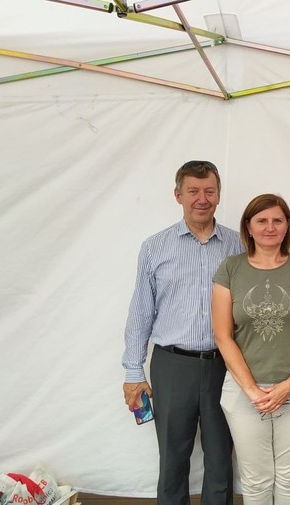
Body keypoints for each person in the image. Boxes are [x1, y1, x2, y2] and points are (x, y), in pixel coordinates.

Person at [122, 160, 241, 505]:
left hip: (225, 365)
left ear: (219, 195)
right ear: (178, 195)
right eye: (193, 191)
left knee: (221, 456)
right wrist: (133, 372)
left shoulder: (238, 246)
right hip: (172, 366)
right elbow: (141, 312)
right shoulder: (155, 247)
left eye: (209, 191)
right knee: (173, 456)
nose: (202, 199)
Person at [211, 193, 290, 505]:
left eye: (277, 220)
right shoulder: (230, 269)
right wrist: (251, 389)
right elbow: (223, 336)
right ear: (248, 227)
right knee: (255, 479)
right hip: (244, 392)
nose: (270, 227)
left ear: (287, 226)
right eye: (262, 220)